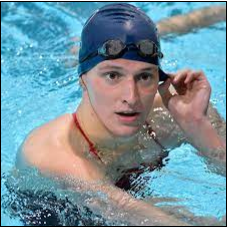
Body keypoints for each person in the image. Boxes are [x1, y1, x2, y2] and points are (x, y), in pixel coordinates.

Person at [16, 3, 226, 226]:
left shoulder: (167, 116)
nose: (131, 97)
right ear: (83, 80)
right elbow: (132, 213)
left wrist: (197, 126)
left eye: (144, 77)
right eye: (113, 76)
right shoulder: (56, 156)